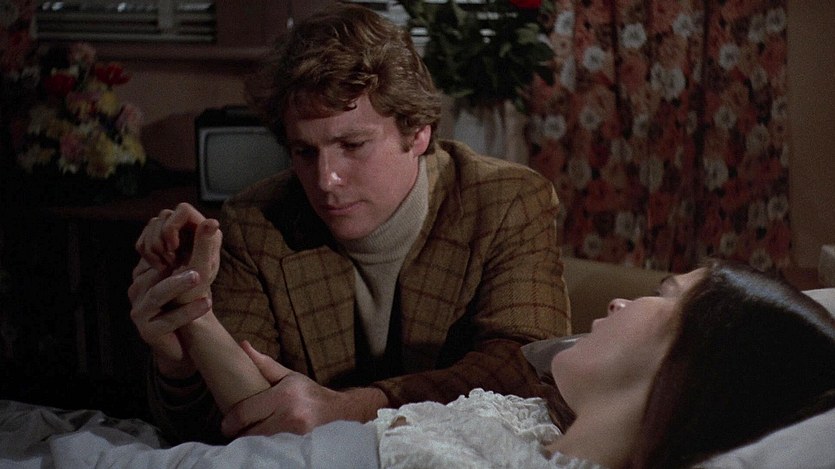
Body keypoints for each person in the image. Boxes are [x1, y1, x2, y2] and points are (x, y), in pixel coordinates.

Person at [129, 2, 569, 444]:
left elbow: (527, 369)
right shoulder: (256, 223)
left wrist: (356, 409)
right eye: (305, 152)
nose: (326, 180)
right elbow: (234, 423)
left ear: (418, 133)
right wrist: (184, 350)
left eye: (353, 145)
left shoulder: (507, 200)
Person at [125, 259, 835, 468]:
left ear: (691, 358)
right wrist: (193, 313)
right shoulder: (530, 421)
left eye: (664, 294)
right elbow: (275, 435)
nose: (622, 300)